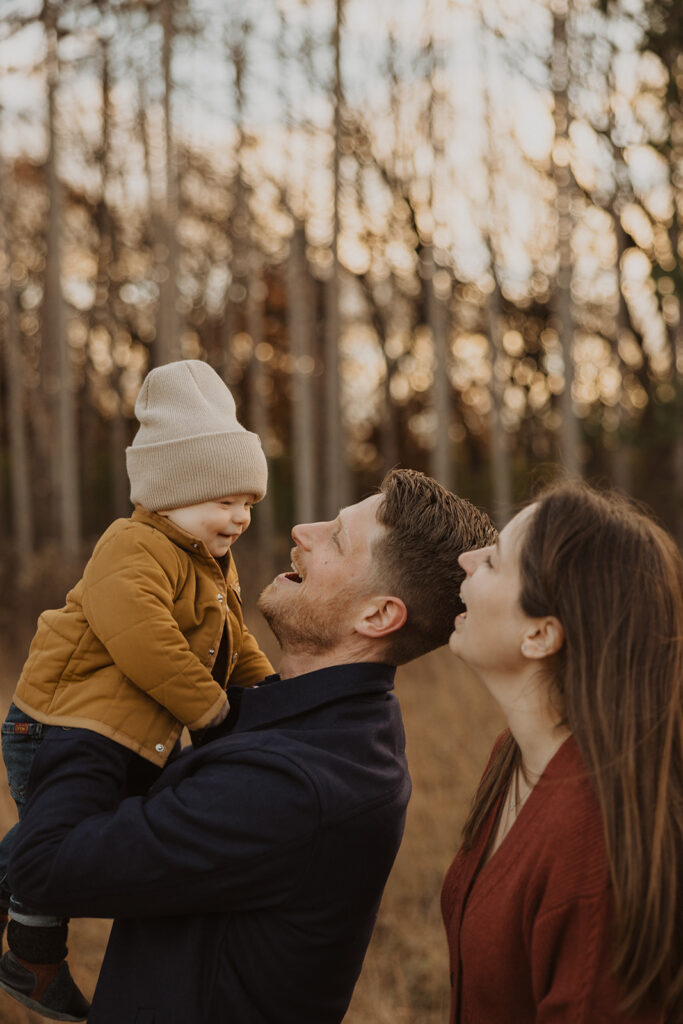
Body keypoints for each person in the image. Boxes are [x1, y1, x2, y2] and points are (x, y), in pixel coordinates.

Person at [6, 469, 495, 1024]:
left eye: (335, 537)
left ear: (378, 615)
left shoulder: (297, 785)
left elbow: (45, 867)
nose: (301, 529)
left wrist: (91, 708)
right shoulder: (315, 721)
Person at [0, 359, 274, 1021]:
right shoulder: (130, 546)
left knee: (74, 829)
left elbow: (235, 645)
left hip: (122, 737)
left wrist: (274, 700)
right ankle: (32, 963)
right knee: (59, 842)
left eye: (246, 504)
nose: (238, 518)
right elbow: (143, 638)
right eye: (222, 501)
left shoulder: (208, 566)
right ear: (168, 492)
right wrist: (210, 713)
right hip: (67, 726)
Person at [442, 481, 683, 1023]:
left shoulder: (591, 858)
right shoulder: (514, 758)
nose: (466, 557)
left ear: (541, 635)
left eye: (495, 561)